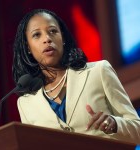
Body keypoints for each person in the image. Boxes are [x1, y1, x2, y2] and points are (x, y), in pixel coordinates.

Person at [12, 9, 140, 144]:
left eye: (53, 31)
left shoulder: (99, 71)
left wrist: (114, 124)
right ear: (28, 47)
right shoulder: (26, 103)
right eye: (37, 35)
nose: (47, 39)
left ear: (63, 38)